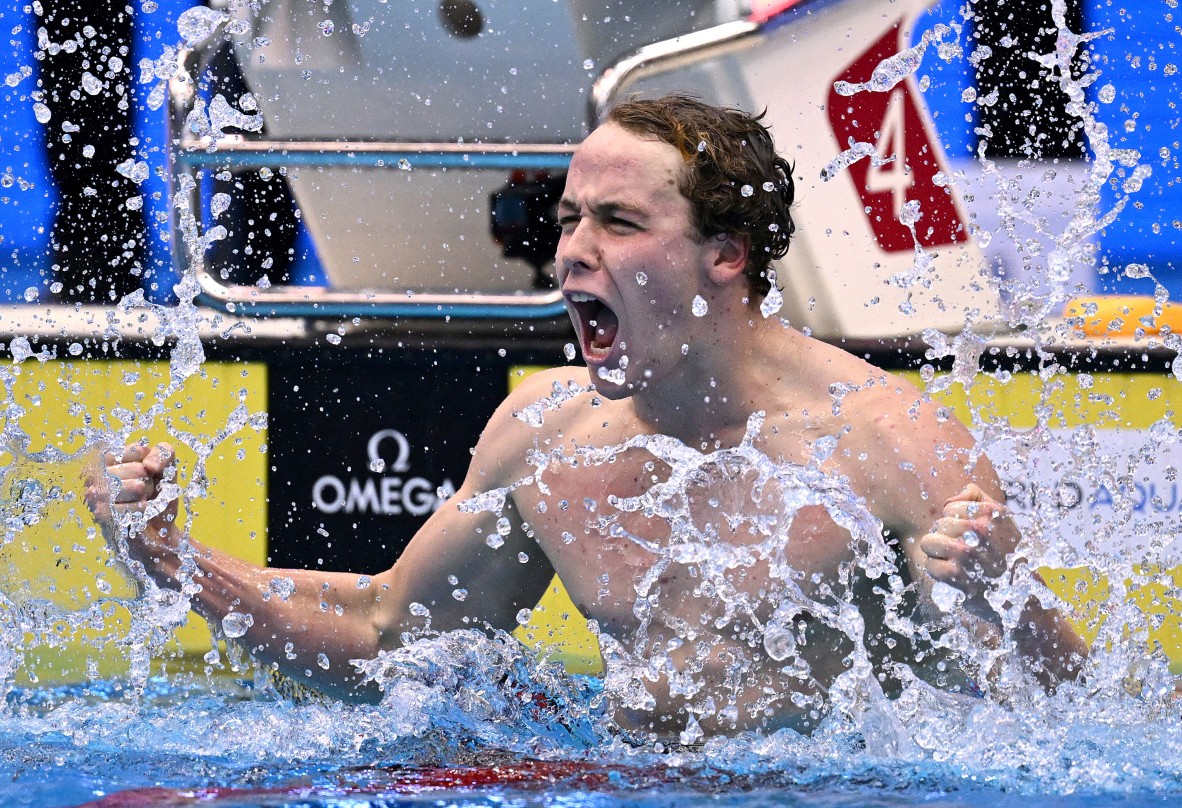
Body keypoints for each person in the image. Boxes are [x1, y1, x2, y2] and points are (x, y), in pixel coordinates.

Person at [87, 96, 1087, 737]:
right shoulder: (549, 432)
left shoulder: (887, 445)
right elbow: (389, 634)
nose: (571, 252)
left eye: (618, 222)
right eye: (569, 219)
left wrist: (1014, 596)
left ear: (726, 255)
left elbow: (1091, 719)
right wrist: (168, 554)